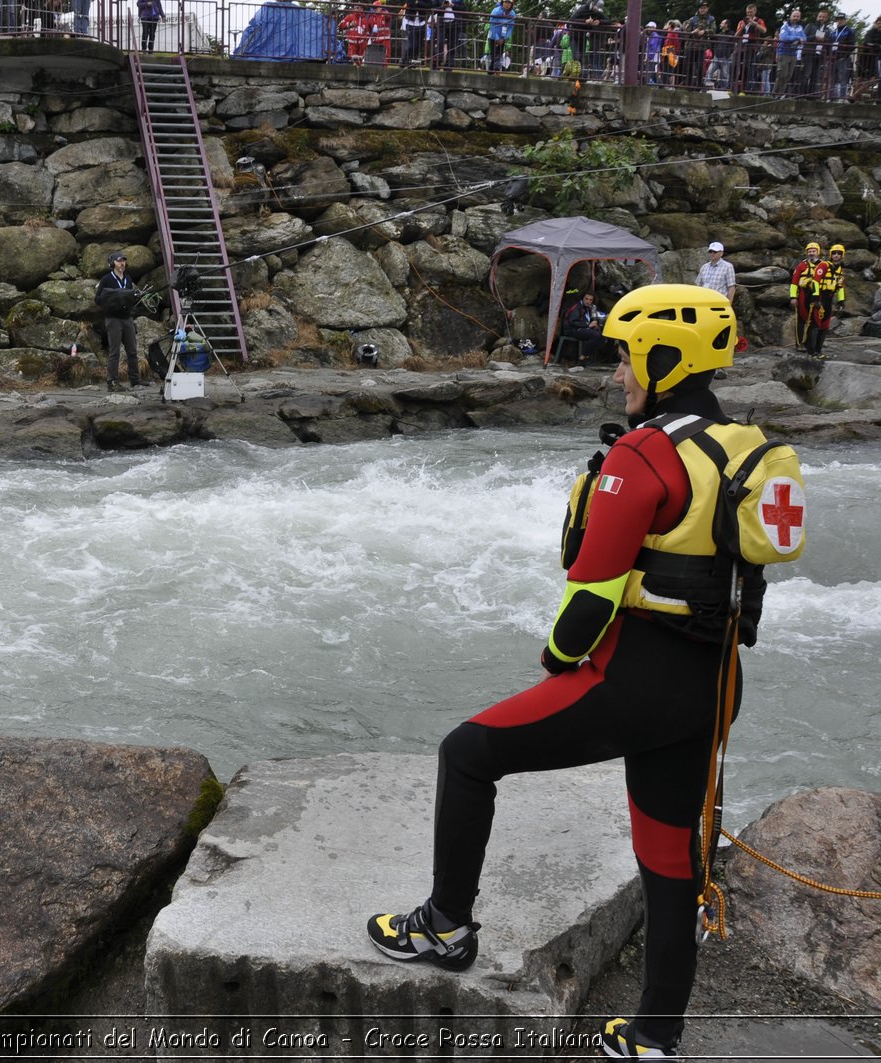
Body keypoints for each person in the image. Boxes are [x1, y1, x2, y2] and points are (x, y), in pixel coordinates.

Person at [367, 283, 799, 1062]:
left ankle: (446, 924)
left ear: (668, 361)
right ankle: (655, 1036)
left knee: (466, 753)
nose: (620, 375)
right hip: (713, 685)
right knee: (670, 856)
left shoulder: (644, 452)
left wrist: (558, 661)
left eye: (630, 359)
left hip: (632, 680)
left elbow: (591, 594)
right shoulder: (743, 445)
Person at [95, 251, 141, 390]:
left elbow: (130, 298)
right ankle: (112, 382)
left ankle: (135, 380)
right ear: (112, 263)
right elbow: (97, 300)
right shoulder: (106, 279)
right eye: (119, 261)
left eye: (123, 261)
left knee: (132, 351)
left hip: (127, 318)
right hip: (113, 319)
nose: (122, 263)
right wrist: (113, 297)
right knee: (115, 351)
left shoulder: (128, 278)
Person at [788, 242, 831, 356]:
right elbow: (794, 283)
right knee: (802, 319)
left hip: (818, 295)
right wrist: (793, 297)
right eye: (809, 251)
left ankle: (812, 345)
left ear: (818, 252)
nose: (811, 253)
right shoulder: (801, 266)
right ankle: (800, 343)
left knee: (815, 320)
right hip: (803, 294)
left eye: (814, 251)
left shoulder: (824, 265)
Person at [559, 290, 605, 363]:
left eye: (590, 300)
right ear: (582, 298)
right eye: (586, 299)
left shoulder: (590, 307)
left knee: (602, 337)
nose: (588, 301)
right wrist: (588, 325)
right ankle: (583, 356)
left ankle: (587, 355)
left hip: (582, 328)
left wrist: (594, 324)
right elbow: (573, 321)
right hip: (572, 329)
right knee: (595, 335)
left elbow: (593, 318)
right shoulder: (577, 307)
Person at [772, 8, 804, 96]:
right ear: (790, 16)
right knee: (782, 74)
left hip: (793, 54)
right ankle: (774, 94)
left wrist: (798, 38)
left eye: (798, 16)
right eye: (794, 16)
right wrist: (797, 38)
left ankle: (781, 93)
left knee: (788, 76)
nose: (796, 18)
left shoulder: (800, 27)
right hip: (783, 53)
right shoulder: (785, 26)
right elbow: (784, 37)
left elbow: (804, 38)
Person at [829, 11, 854, 99]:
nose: (839, 21)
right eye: (838, 19)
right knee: (832, 78)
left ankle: (842, 97)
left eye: (841, 20)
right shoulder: (833, 32)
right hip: (833, 57)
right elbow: (829, 44)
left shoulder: (849, 31)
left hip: (844, 58)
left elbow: (852, 45)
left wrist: (845, 55)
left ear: (845, 20)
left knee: (843, 77)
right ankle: (831, 96)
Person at [487, 0, 516, 71]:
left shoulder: (512, 14)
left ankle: (494, 70)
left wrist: (504, 38)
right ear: (502, 2)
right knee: (494, 55)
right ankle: (492, 70)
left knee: (499, 54)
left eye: (509, 3)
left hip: (503, 37)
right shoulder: (495, 11)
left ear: (511, 4)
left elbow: (510, 27)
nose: (507, 4)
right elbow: (492, 25)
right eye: (505, 2)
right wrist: (497, 38)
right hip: (493, 36)